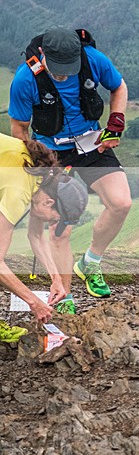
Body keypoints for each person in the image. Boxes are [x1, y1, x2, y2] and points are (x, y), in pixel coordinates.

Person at [9, 27, 131, 303]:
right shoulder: (25, 78)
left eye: (69, 68)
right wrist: (36, 168)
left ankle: (90, 262)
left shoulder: (93, 59)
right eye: (57, 69)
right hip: (51, 152)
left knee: (121, 203)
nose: (63, 75)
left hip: (92, 143)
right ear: (43, 54)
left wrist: (115, 125)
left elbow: (119, 86)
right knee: (59, 228)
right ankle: (65, 298)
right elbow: (19, 129)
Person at [0, 134, 89, 325]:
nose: (50, 223)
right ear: (49, 202)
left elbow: (36, 235)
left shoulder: (41, 175)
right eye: (54, 219)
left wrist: (56, 278)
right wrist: (34, 303)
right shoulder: (19, 191)